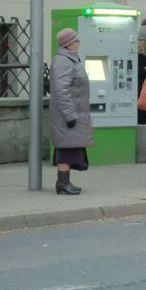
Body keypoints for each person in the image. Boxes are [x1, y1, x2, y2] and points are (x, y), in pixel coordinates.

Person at [49, 28, 93, 195]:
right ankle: (62, 183)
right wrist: (69, 115)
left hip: (73, 112)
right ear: (69, 44)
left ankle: (64, 182)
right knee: (66, 149)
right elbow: (62, 90)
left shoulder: (70, 59)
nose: (78, 43)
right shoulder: (64, 61)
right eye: (76, 40)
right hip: (68, 114)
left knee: (70, 147)